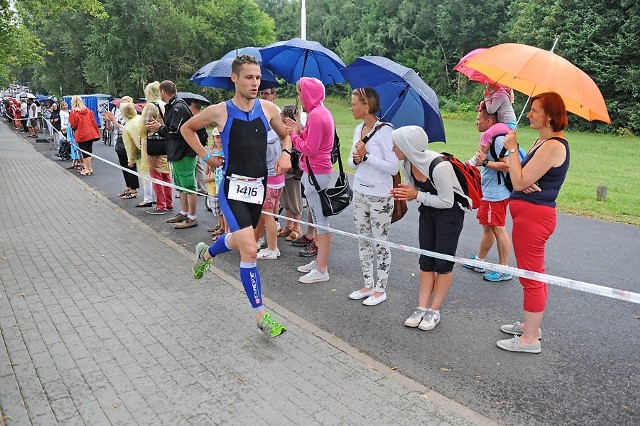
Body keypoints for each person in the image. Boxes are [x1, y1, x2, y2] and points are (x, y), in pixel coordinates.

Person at [181, 54, 292, 337]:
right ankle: (261, 316)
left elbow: (286, 135)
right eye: (249, 77)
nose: (255, 83)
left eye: (258, 78)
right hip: (232, 188)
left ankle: (206, 253)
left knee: (244, 242)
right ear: (235, 78)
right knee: (251, 249)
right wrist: (206, 155)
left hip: (260, 187)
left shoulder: (268, 108)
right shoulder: (220, 111)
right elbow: (187, 128)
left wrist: (287, 154)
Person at [497, 92, 570, 354]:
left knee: (531, 276)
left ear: (549, 116)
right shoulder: (543, 141)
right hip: (528, 214)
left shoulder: (553, 145)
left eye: (535, 110)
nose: (529, 114)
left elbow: (518, 180)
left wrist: (515, 151)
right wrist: (522, 178)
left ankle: (529, 340)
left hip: (535, 218)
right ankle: (530, 325)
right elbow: (521, 177)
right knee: (532, 273)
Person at [390, 126, 469, 331]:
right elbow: (416, 188)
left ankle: (434, 311)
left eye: (396, 145)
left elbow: (446, 201)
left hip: (449, 214)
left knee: (443, 263)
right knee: (426, 260)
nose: (392, 149)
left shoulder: (439, 167)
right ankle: (421, 307)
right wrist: (408, 190)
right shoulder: (407, 163)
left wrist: (416, 196)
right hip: (428, 211)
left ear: (408, 146)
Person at [347, 87, 397, 306]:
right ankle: (368, 283)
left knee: (380, 242)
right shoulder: (358, 129)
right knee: (363, 239)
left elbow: (393, 168)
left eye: (354, 103)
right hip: (360, 191)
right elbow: (351, 161)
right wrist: (357, 160)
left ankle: (380, 288)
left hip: (379, 196)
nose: (351, 107)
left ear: (366, 106)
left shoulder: (386, 131)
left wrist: (366, 157)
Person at [284, 77, 336, 283]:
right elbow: (313, 140)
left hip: (316, 172)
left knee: (321, 221)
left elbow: (310, 149)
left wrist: (293, 136)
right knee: (318, 219)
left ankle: (322, 269)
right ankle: (319, 262)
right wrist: (299, 130)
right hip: (317, 171)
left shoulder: (316, 115)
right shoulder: (321, 112)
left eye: (299, 93)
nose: (299, 97)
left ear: (307, 93)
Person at [463, 105, 513, 282]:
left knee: (498, 228)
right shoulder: (488, 139)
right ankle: (480, 260)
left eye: (478, 119)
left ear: (489, 121)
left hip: (496, 193)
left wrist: (485, 163)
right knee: (489, 227)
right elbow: (478, 159)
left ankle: (504, 269)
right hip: (489, 191)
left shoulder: (498, 140)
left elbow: (508, 165)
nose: (476, 122)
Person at [146, 81, 198, 227]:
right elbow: (172, 129)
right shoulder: (173, 106)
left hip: (184, 152)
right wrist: (161, 127)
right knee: (181, 185)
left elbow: (177, 131)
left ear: (163, 91)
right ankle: (184, 213)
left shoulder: (179, 107)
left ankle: (192, 217)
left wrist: (159, 127)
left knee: (188, 186)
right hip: (176, 152)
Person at [254, 88, 285, 260]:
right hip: (278, 180)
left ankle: (273, 248)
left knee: (268, 215)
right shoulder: (276, 134)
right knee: (269, 212)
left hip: (269, 179)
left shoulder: (265, 140)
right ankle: (261, 240)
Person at [467, 83, 517, 166]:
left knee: (487, 134)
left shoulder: (499, 95)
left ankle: (477, 158)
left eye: (488, 82)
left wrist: (487, 96)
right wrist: (482, 105)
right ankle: (483, 155)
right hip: (504, 123)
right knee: (484, 134)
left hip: (508, 125)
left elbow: (491, 110)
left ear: (494, 82)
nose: (486, 84)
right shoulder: (497, 94)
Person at [139, 82, 169, 211]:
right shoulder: (166, 104)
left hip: (153, 142)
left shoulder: (151, 106)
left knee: (155, 173)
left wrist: (141, 136)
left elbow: (144, 125)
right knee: (166, 173)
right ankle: (169, 202)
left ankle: (161, 204)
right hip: (166, 140)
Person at [276, 104, 304, 243]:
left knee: (294, 198)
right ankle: (288, 225)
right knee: (285, 198)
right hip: (283, 168)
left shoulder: (298, 127)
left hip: (293, 168)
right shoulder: (282, 127)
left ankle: (297, 227)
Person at [105, 97, 140, 199]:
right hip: (118, 142)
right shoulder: (116, 111)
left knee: (130, 166)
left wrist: (114, 121)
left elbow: (127, 129)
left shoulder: (131, 114)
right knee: (123, 166)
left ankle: (134, 189)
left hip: (128, 143)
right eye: (121, 104)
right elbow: (110, 128)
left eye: (124, 104)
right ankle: (128, 187)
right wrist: (108, 121)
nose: (121, 106)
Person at [69, 95, 100, 176]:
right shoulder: (88, 111)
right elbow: (93, 121)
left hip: (81, 134)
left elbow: (73, 125)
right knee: (89, 151)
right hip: (90, 133)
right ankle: (88, 167)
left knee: (84, 151)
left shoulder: (74, 112)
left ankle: (88, 168)